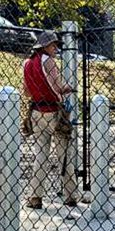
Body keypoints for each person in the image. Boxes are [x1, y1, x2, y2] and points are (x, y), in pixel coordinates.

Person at [23, 30, 77, 209]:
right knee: (64, 154)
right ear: (45, 46)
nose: (56, 49)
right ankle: (70, 195)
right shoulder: (50, 62)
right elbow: (59, 86)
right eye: (53, 45)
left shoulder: (28, 64)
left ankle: (35, 197)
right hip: (54, 112)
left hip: (37, 112)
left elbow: (27, 91)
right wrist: (70, 88)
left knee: (41, 155)